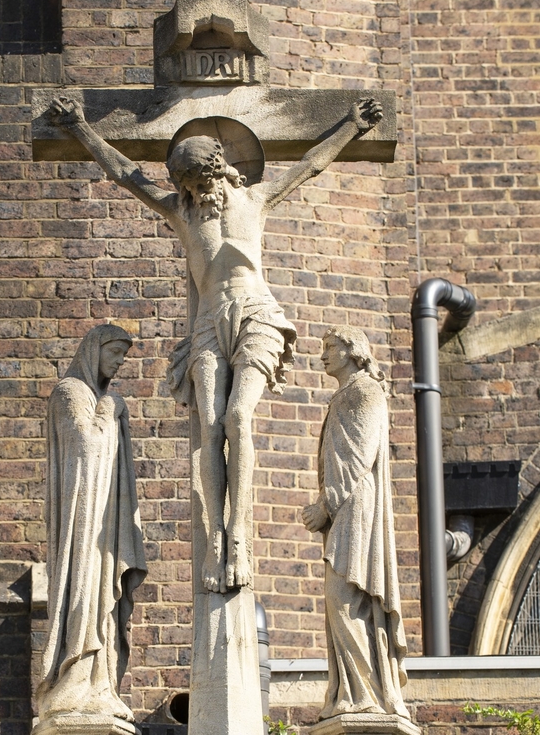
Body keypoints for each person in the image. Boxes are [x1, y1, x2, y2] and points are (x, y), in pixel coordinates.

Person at [47, 94, 383, 595]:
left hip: (255, 314)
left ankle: (241, 535)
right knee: (208, 425)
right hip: (208, 322)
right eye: (187, 187)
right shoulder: (180, 212)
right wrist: (80, 129)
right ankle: (216, 536)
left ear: (221, 170)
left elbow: (311, 165)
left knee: (238, 417)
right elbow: (123, 173)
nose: (197, 193)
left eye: (201, 183)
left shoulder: (256, 199)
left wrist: (351, 127)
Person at [37, 324, 147, 725]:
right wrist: (110, 409)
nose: (119, 363)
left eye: (124, 356)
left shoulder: (96, 394)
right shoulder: (71, 393)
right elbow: (84, 449)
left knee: (105, 602)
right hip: (82, 524)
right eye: (115, 353)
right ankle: (74, 681)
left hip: (104, 520)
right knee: (85, 593)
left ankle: (100, 683)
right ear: (93, 350)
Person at [302, 326, 410, 721]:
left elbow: (357, 456)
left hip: (355, 507)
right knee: (341, 600)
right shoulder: (346, 394)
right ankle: (352, 691)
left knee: (346, 597)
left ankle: (367, 694)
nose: (323, 355)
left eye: (330, 347)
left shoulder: (365, 392)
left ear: (352, 351)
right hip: (345, 508)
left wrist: (325, 506)